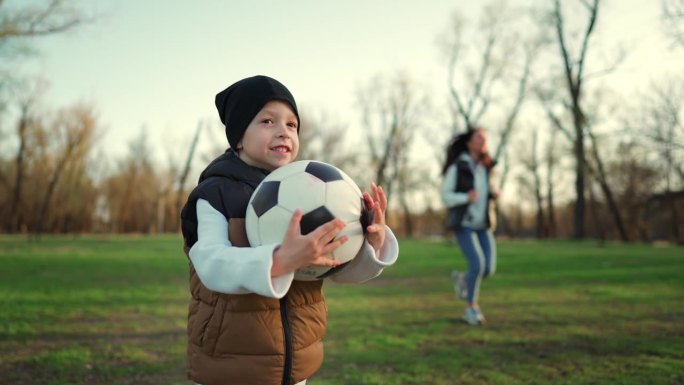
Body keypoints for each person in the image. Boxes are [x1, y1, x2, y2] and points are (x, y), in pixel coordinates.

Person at [180, 75, 399, 385]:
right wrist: (280, 261)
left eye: (292, 125)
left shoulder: (313, 190)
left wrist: (371, 242)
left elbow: (335, 269)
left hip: (296, 361)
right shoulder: (215, 194)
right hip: (231, 361)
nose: (283, 131)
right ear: (239, 137)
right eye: (267, 121)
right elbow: (211, 263)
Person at [441, 126, 499, 325]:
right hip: (463, 224)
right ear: (469, 143)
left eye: (486, 138)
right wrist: (466, 197)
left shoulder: (487, 167)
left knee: (488, 269)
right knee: (477, 264)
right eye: (479, 138)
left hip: (483, 224)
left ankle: (463, 280)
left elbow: (487, 190)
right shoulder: (458, 166)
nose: (484, 141)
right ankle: (471, 309)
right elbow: (446, 196)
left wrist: (493, 193)